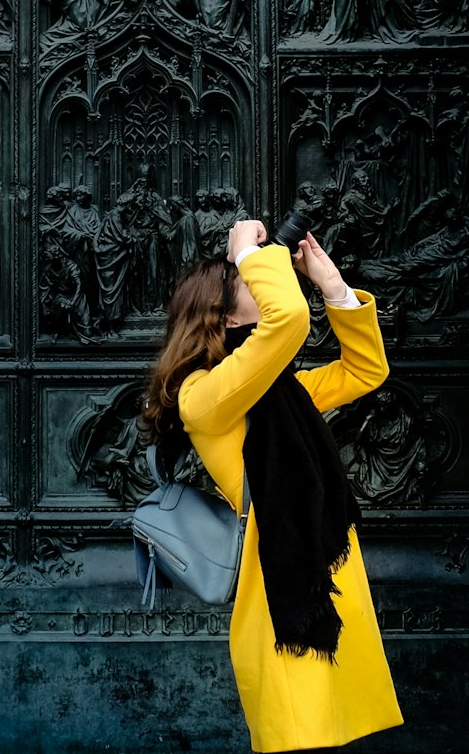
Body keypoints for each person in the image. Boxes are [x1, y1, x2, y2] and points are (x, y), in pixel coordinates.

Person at [143, 219, 403, 754]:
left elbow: (365, 371)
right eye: (247, 282)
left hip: (322, 576)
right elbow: (287, 321)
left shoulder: (279, 395)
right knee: (296, 735)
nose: (265, 280)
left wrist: (332, 286)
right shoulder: (203, 397)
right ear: (223, 316)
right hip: (281, 592)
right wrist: (243, 251)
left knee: (327, 733)